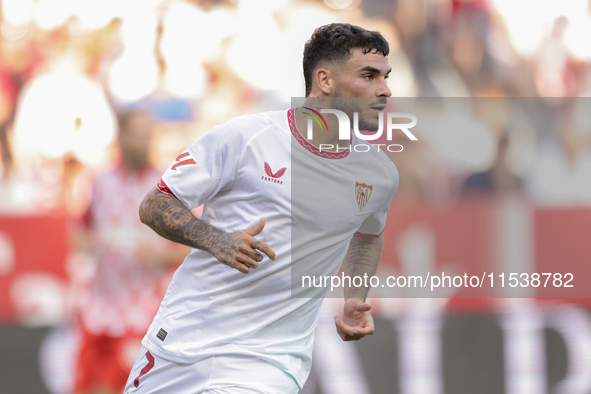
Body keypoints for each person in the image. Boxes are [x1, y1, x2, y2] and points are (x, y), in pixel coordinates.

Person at [124, 23, 398, 393]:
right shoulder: (245, 138)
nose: (384, 90)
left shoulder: (378, 173)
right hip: (182, 344)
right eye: (369, 76)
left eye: (385, 77)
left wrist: (355, 298)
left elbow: (367, 235)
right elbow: (155, 204)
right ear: (325, 81)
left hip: (268, 363)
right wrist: (216, 240)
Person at [72, 110, 188, 394]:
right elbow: (78, 232)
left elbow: (193, 248)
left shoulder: (167, 187)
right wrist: (98, 245)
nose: (143, 140)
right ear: (121, 136)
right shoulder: (100, 182)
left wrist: (159, 255)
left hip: (144, 313)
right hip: (100, 309)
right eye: (137, 133)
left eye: (147, 134)